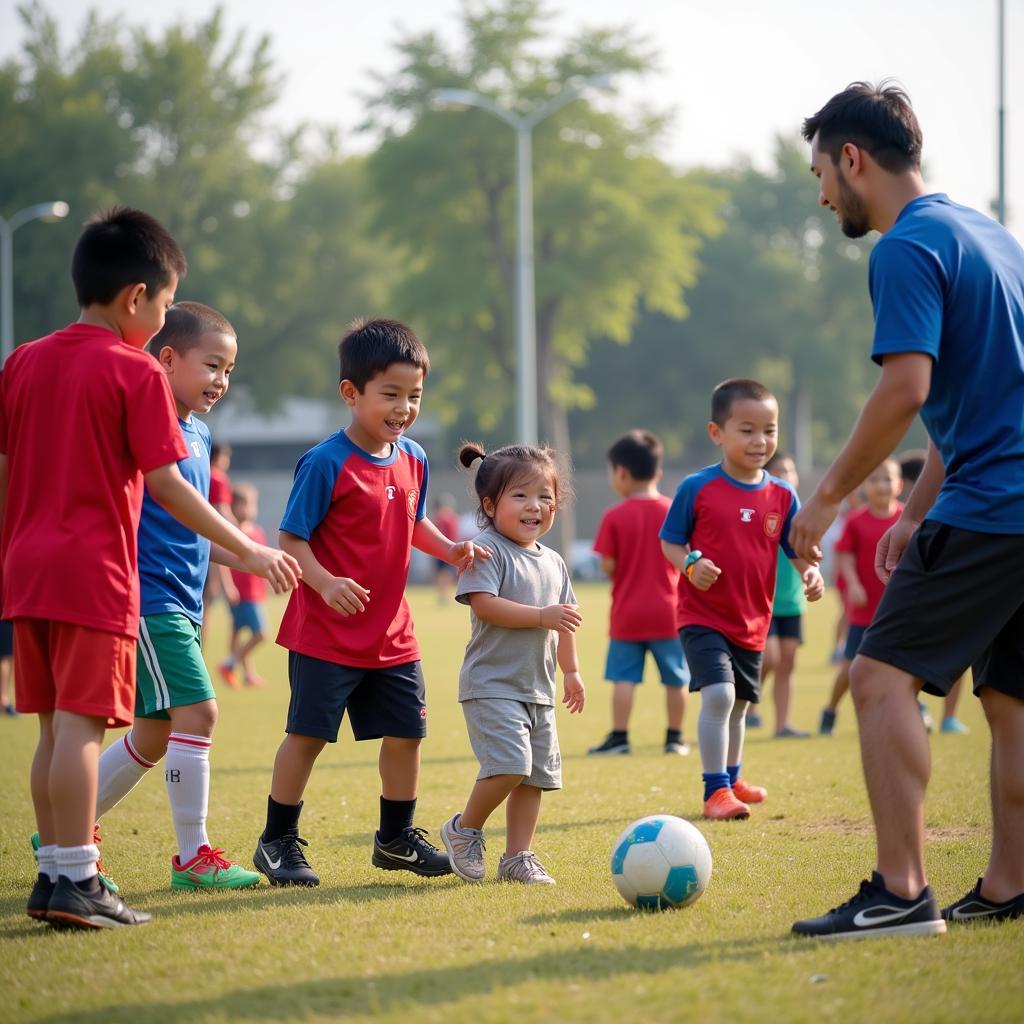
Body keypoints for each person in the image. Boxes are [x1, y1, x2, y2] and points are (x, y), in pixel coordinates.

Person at [0, 208, 299, 930]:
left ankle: (51, 878)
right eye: (164, 306)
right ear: (137, 297)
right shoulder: (133, 369)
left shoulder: (23, 360)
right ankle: (77, 878)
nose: (163, 320)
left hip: (26, 569)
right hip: (95, 573)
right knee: (80, 729)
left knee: (48, 730)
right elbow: (168, 485)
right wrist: (252, 549)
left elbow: (8, 474)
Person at [791, 82, 1024, 939]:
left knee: (877, 676)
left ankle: (900, 891)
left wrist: (823, 499)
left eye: (820, 172)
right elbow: (990, 395)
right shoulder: (991, 235)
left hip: (996, 501)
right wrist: (917, 508)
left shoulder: (903, 248)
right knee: (1009, 702)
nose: (820, 193)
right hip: (1004, 498)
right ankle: (1009, 886)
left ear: (853, 158)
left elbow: (906, 388)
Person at [253, 317, 486, 886]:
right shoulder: (325, 462)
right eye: (391, 394)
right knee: (307, 738)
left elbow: (414, 521)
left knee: (409, 733)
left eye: (415, 396)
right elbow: (291, 539)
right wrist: (326, 582)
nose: (404, 407)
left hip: (392, 633)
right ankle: (276, 841)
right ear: (350, 393)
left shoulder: (414, 458)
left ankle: (396, 838)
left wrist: (451, 549)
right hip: (325, 634)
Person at [87, 303, 270, 891]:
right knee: (201, 712)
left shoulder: (199, 431)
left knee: (153, 733)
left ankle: (69, 827)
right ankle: (193, 858)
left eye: (229, 369)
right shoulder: (143, 421)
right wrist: (248, 546)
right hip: (151, 600)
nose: (221, 380)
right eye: (212, 365)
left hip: (186, 603)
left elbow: (194, 529)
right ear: (166, 358)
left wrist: (247, 556)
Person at [660, 379, 824, 821]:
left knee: (742, 704)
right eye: (747, 429)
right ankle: (715, 792)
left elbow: (795, 550)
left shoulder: (783, 495)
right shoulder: (697, 487)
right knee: (718, 696)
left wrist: (811, 572)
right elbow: (670, 542)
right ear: (718, 433)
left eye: (769, 430)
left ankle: (733, 779)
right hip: (702, 615)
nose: (760, 440)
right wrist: (691, 565)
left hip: (753, 620)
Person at [440, 442, 584, 884]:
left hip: (537, 688)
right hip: (492, 684)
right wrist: (541, 616)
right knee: (510, 766)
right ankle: (464, 829)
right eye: (520, 496)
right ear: (490, 504)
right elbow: (485, 605)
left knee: (535, 777)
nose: (535, 506)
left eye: (545, 496)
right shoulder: (486, 549)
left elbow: (566, 622)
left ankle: (517, 857)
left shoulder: (555, 562)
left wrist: (572, 671)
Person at [587, 430, 690, 757]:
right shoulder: (673, 510)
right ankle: (675, 738)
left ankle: (620, 738)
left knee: (623, 678)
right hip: (669, 611)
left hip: (628, 612)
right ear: (657, 472)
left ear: (621, 473)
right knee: (676, 678)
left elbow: (608, 565)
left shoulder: (614, 516)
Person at [818, 457, 903, 736]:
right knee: (849, 668)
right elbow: (844, 556)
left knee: (901, 668)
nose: (881, 485)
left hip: (895, 610)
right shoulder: (855, 521)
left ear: (899, 485)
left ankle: (910, 712)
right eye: (875, 479)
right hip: (864, 610)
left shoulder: (906, 520)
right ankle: (830, 709)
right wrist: (853, 584)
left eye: (887, 479)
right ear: (864, 487)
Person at [897, 450, 969, 735]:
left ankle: (948, 717)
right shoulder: (910, 517)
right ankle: (913, 708)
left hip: (956, 588)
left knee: (961, 652)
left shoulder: (953, 506)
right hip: (922, 592)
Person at [754, 452, 810, 738]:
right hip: (764, 602)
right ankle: (751, 704)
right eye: (779, 471)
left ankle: (781, 725)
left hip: (793, 602)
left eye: (790, 470)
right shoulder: (766, 513)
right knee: (771, 658)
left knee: (787, 662)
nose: (786, 476)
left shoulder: (804, 517)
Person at [219, 484, 269, 689]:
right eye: (246, 504)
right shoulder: (232, 533)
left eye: (253, 504)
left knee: (239, 632)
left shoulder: (257, 531)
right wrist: (228, 586)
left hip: (255, 592)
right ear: (234, 506)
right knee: (260, 633)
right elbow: (220, 562)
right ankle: (229, 664)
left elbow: (264, 561)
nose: (251, 509)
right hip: (241, 594)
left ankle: (248, 674)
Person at [431, 493, 461, 604]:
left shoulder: (443, 518)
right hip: (447, 548)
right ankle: (444, 595)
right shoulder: (452, 518)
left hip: (443, 549)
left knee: (443, 574)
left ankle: (444, 595)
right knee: (445, 574)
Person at [0, 617, 15, 716]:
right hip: (4, 615)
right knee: (4, 657)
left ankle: (5, 699)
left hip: (10, 615)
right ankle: (3, 702)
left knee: (10, 657)